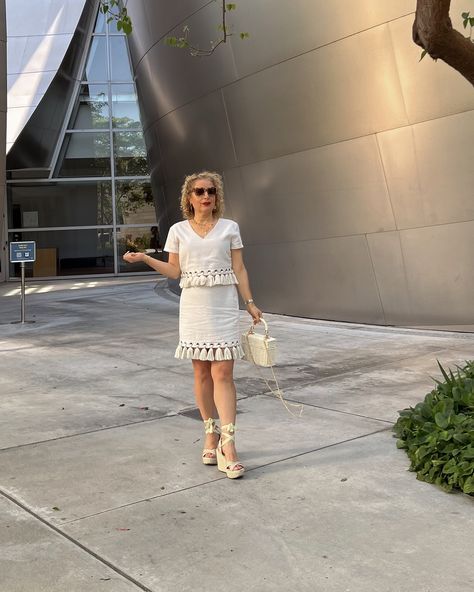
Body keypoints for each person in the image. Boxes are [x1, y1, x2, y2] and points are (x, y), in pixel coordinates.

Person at [123, 171, 262, 479]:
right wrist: (146, 258)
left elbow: (239, 267)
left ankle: (229, 444)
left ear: (217, 196)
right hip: (194, 307)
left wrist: (250, 303)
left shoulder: (229, 228)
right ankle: (210, 433)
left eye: (211, 191)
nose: (205, 196)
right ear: (189, 197)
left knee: (224, 371)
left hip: (223, 305)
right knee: (201, 370)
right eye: (199, 191)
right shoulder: (178, 231)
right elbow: (174, 272)